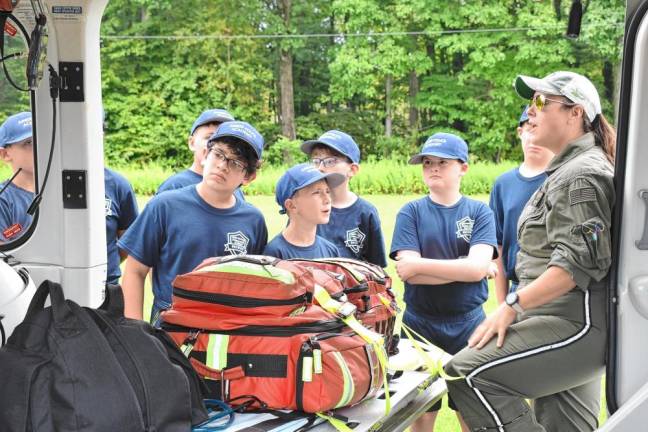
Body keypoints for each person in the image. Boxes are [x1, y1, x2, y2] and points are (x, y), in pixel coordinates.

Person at [445, 71, 616, 432]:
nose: (531, 111)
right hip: (558, 320)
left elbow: (574, 266)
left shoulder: (580, 176)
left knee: (466, 375)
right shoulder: (566, 170)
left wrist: (511, 306)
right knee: (562, 426)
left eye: (541, 101)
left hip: (574, 324)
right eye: (530, 102)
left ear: (576, 113)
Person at [390, 132, 498, 432]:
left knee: (470, 409)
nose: (433, 168)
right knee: (421, 410)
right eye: (427, 163)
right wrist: (470, 268)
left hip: (469, 324)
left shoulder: (479, 212)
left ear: (462, 167)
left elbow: (474, 269)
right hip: (419, 326)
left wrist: (422, 265)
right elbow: (407, 272)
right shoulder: (411, 212)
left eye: (442, 162)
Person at [118, 121, 268, 323]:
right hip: (171, 328)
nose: (222, 166)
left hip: (228, 330)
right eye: (219, 154)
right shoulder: (164, 206)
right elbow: (135, 271)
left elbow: (253, 283)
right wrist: (135, 330)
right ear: (206, 155)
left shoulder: (254, 221)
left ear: (248, 176)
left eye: (235, 163)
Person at [489, 107, 554, 303]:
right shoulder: (503, 184)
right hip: (517, 288)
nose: (534, 137)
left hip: (555, 288)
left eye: (542, 129)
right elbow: (497, 247)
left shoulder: (562, 179)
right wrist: (502, 304)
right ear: (520, 133)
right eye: (530, 127)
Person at [301, 130, 387, 267]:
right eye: (316, 161)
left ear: (352, 170)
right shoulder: (303, 207)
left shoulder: (366, 212)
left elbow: (376, 267)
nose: (320, 168)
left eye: (330, 161)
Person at [156, 108, 243, 201]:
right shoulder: (174, 186)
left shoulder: (233, 187)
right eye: (210, 137)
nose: (218, 146)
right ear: (192, 143)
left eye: (226, 141)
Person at [263, 163, 344, 259]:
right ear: (291, 205)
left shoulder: (330, 251)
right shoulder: (275, 253)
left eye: (327, 191)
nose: (327, 200)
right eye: (317, 192)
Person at [0, 112, 34, 243]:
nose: (39, 146)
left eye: (43, 139)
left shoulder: (65, 187)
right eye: (29, 142)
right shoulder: (4, 200)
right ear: (5, 154)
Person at [104, 167, 138, 285]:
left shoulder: (118, 185)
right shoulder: (48, 182)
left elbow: (129, 239)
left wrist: (110, 261)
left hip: (107, 284)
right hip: (55, 282)